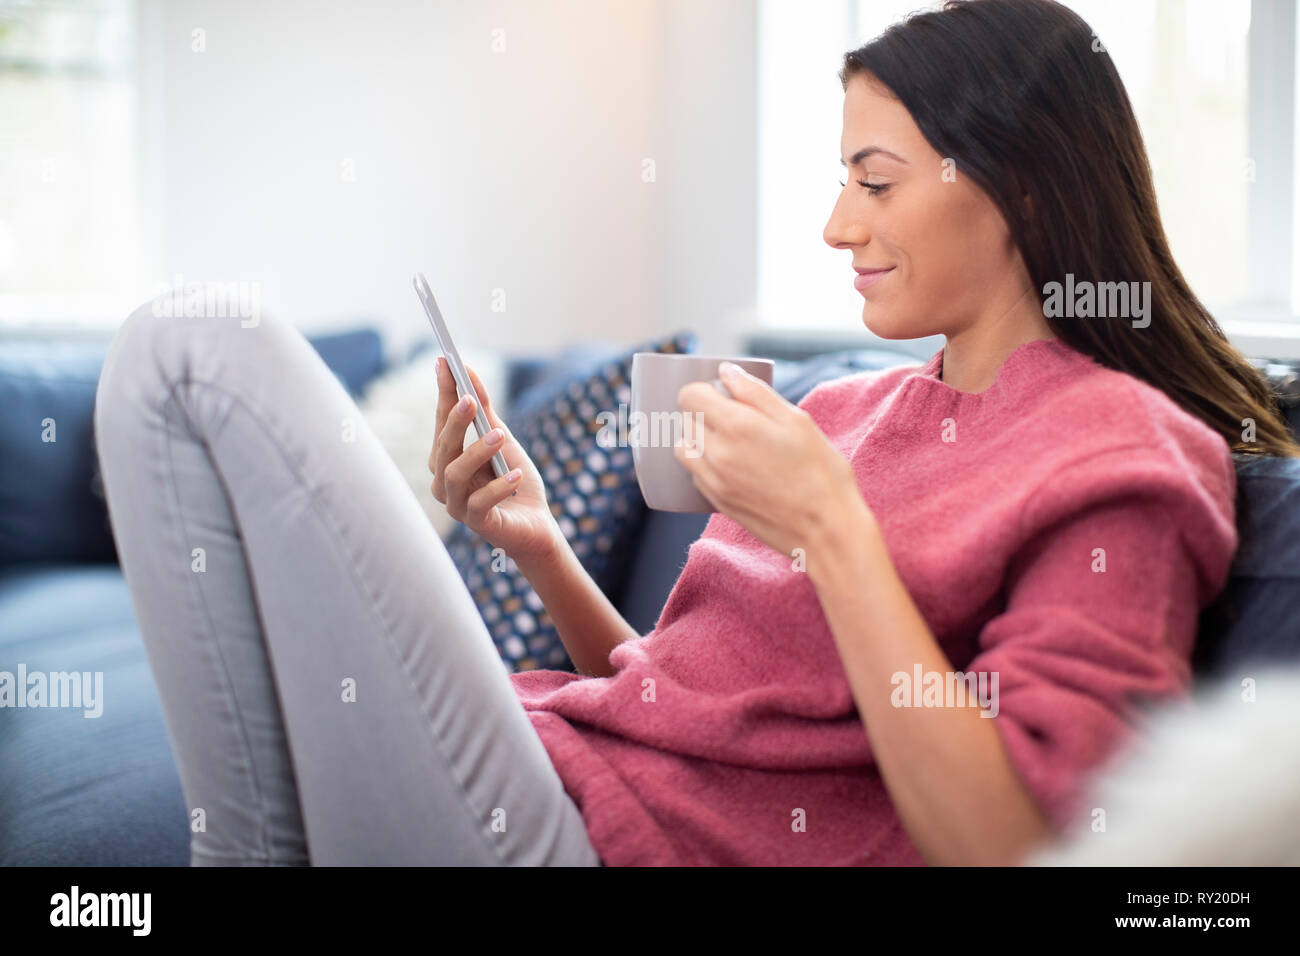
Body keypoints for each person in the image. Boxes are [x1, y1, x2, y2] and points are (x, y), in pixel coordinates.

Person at [94, 0, 1297, 866]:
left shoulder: (1123, 453)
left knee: (199, 346)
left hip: (570, 836)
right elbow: (677, 705)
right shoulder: (840, 408)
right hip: (561, 763)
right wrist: (541, 547)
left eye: (873, 183)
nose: (836, 225)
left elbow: (1021, 840)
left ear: (1022, 186)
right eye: (839, 180)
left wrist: (829, 524)